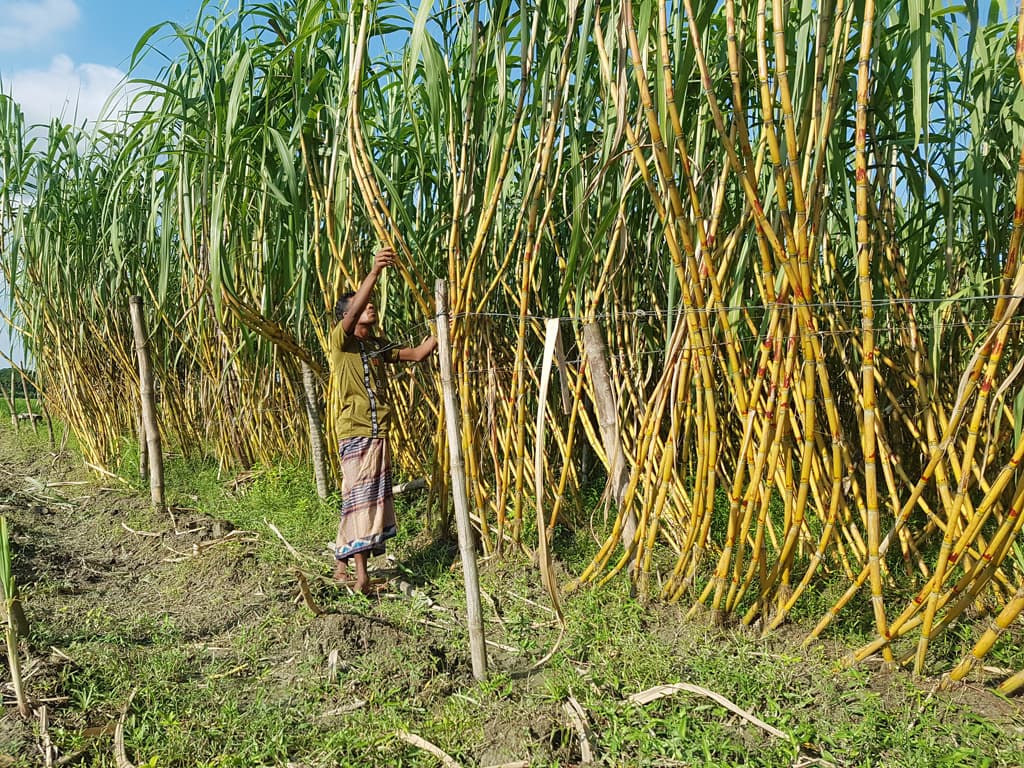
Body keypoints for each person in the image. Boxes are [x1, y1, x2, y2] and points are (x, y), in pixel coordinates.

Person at [329, 246, 437, 594]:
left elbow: (418, 354)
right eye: (362, 306)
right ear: (350, 315)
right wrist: (374, 273)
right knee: (361, 501)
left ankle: (341, 565)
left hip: (378, 432)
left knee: (362, 500)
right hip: (356, 431)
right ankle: (361, 576)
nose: (370, 306)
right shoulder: (341, 342)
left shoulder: (375, 347)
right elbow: (356, 307)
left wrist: (443, 328)